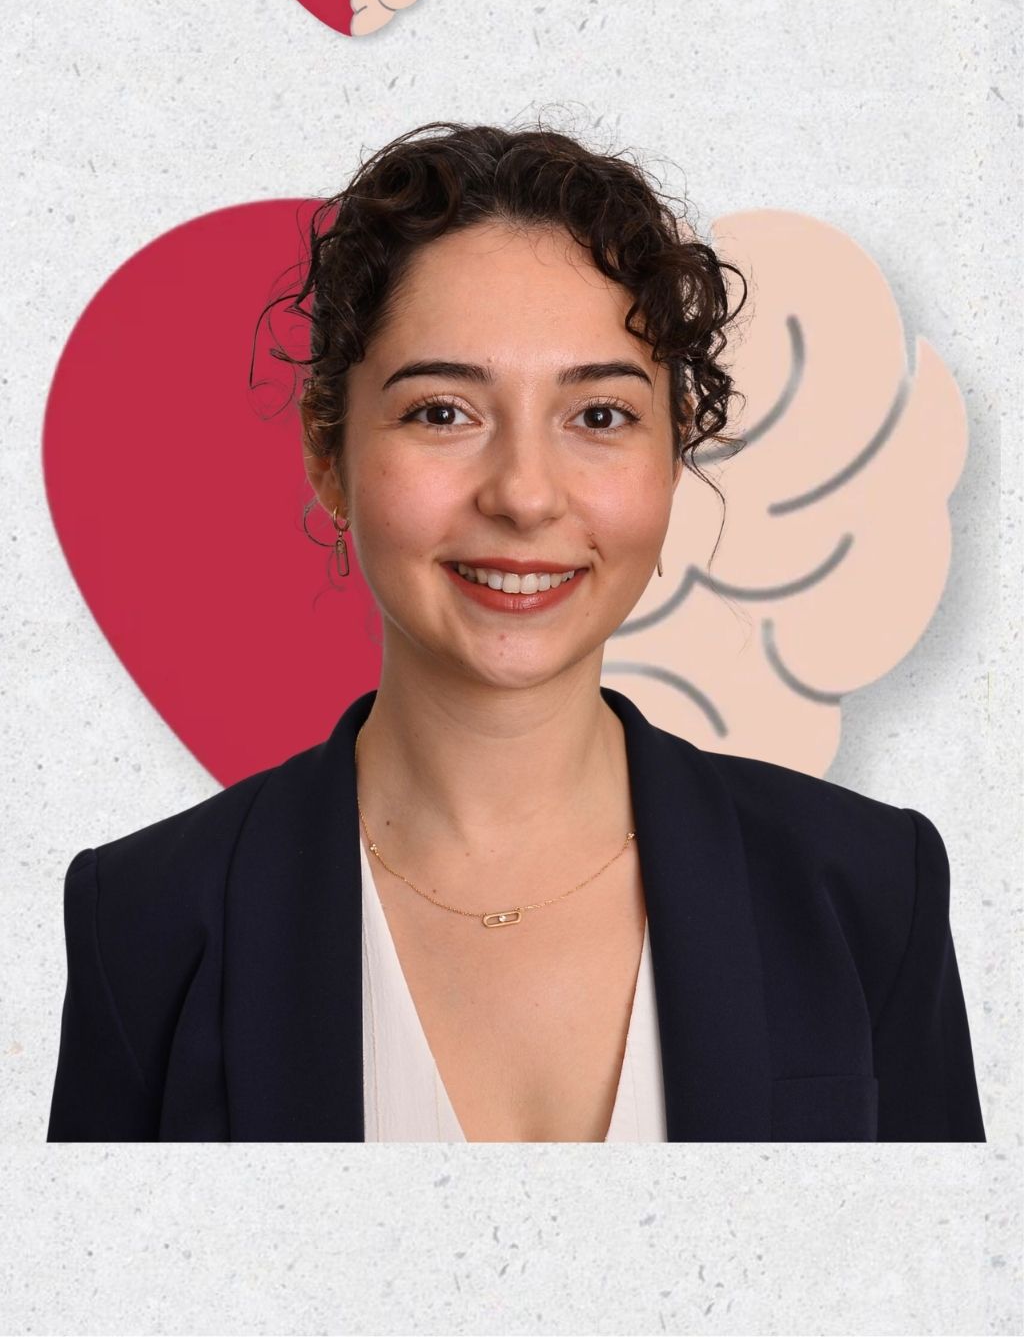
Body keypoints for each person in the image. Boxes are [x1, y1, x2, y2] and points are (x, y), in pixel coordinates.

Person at [46, 121, 986, 1142]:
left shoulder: (868, 890)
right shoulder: (139, 922)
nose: (526, 496)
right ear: (329, 454)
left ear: (673, 457)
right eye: (443, 412)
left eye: (599, 417)